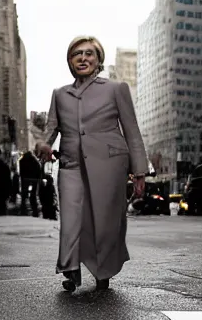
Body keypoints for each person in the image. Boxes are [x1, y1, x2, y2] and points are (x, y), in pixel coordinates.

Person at [44, 36, 148, 292]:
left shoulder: (116, 89)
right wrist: (42, 145)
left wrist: (140, 172)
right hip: (70, 164)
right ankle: (70, 268)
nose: (82, 58)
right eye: (76, 54)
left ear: (98, 59)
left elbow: (132, 132)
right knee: (70, 218)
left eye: (88, 53)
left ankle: (103, 270)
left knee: (104, 220)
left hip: (109, 164)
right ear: (69, 61)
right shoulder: (60, 95)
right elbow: (50, 130)